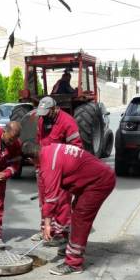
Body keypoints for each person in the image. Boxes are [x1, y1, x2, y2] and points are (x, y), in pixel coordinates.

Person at [23, 142, 116, 275]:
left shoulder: (49, 164)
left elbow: (50, 198)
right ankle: (72, 249)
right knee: (76, 210)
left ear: (30, 159)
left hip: (99, 183)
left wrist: (47, 225)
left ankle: (74, 263)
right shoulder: (50, 149)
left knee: (80, 218)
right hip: (95, 178)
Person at [32, 96, 83, 246]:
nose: (44, 116)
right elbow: (39, 141)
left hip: (61, 169)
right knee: (45, 201)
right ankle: (46, 230)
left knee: (61, 201)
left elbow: (76, 148)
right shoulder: (42, 120)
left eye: (47, 113)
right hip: (44, 167)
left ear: (54, 109)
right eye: (42, 114)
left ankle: (61, 233)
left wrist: (67, 170)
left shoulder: (68, 122)